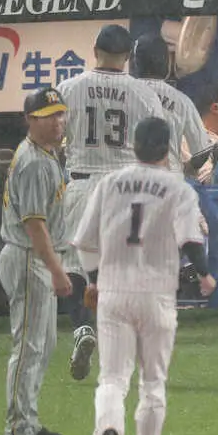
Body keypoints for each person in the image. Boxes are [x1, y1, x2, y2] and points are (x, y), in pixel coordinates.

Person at [74, 117, 217, 435]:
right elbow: (190, 242)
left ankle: (108, 430)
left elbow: (86, 242)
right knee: (153, 384)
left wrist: (93, 280)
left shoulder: (109, 183)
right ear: (167, 148)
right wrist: (204, 274)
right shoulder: (178, 188)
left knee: (112, 379)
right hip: (156, 294)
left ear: (134, 145)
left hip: (114, 292)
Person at [57, 25, 166, 382]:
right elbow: (157, 149)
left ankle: (82, 329)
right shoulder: (143, 93)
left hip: (83, 184)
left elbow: (54, 140)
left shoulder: (68, 89)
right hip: (126, 188)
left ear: (94, 50)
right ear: (127, 57)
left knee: (74, 268)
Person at [0, 87, 72, 435]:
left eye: (60, 113)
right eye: (49, 115)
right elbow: (35, 225)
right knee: (28, 347)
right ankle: (17, 433)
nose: (58, 121)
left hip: (36, 258)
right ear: (30, 120)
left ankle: (29, 422)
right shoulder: (34, 162)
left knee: (43, 347)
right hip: (30, 257)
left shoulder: (48, 154)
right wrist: (57, 270)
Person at [130, 34, 212, 173]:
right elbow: (202, 152)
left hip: (129, 180)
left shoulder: (123, 93)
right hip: (169, 180)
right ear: (165, 62)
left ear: (135, 62)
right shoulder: (181, 100)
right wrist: (186, 170)